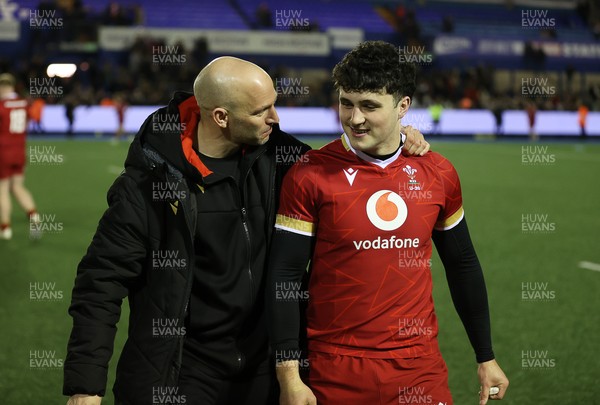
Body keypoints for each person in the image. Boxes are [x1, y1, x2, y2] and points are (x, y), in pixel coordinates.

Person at [63, 56, 431, 405]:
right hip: (180, 371)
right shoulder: (147, 185)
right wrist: (85, 387)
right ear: (221, 116)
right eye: (260, 111)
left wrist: (398, 140)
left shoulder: (284, 159)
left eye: (274, 103)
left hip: (270, 371)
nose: (275, 117)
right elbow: (101, 284)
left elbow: (348, 175)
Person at [268, 41, 509, 405]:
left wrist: (485, 354)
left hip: (419, 367)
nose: (354, 118)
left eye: (369, 106)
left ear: (403, 106)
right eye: (346, 103)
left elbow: (462, 265)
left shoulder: (437, 172)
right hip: (334, 368)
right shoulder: (310, 173)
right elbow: (284, 274)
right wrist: (289, 375)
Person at [0, 73, 40, 240]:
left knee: (2, 189)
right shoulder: (24, 103)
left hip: (3, 151)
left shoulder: (1, 105)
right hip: (19, 150)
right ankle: (34, 216)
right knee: (17, 186)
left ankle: (6, 228)